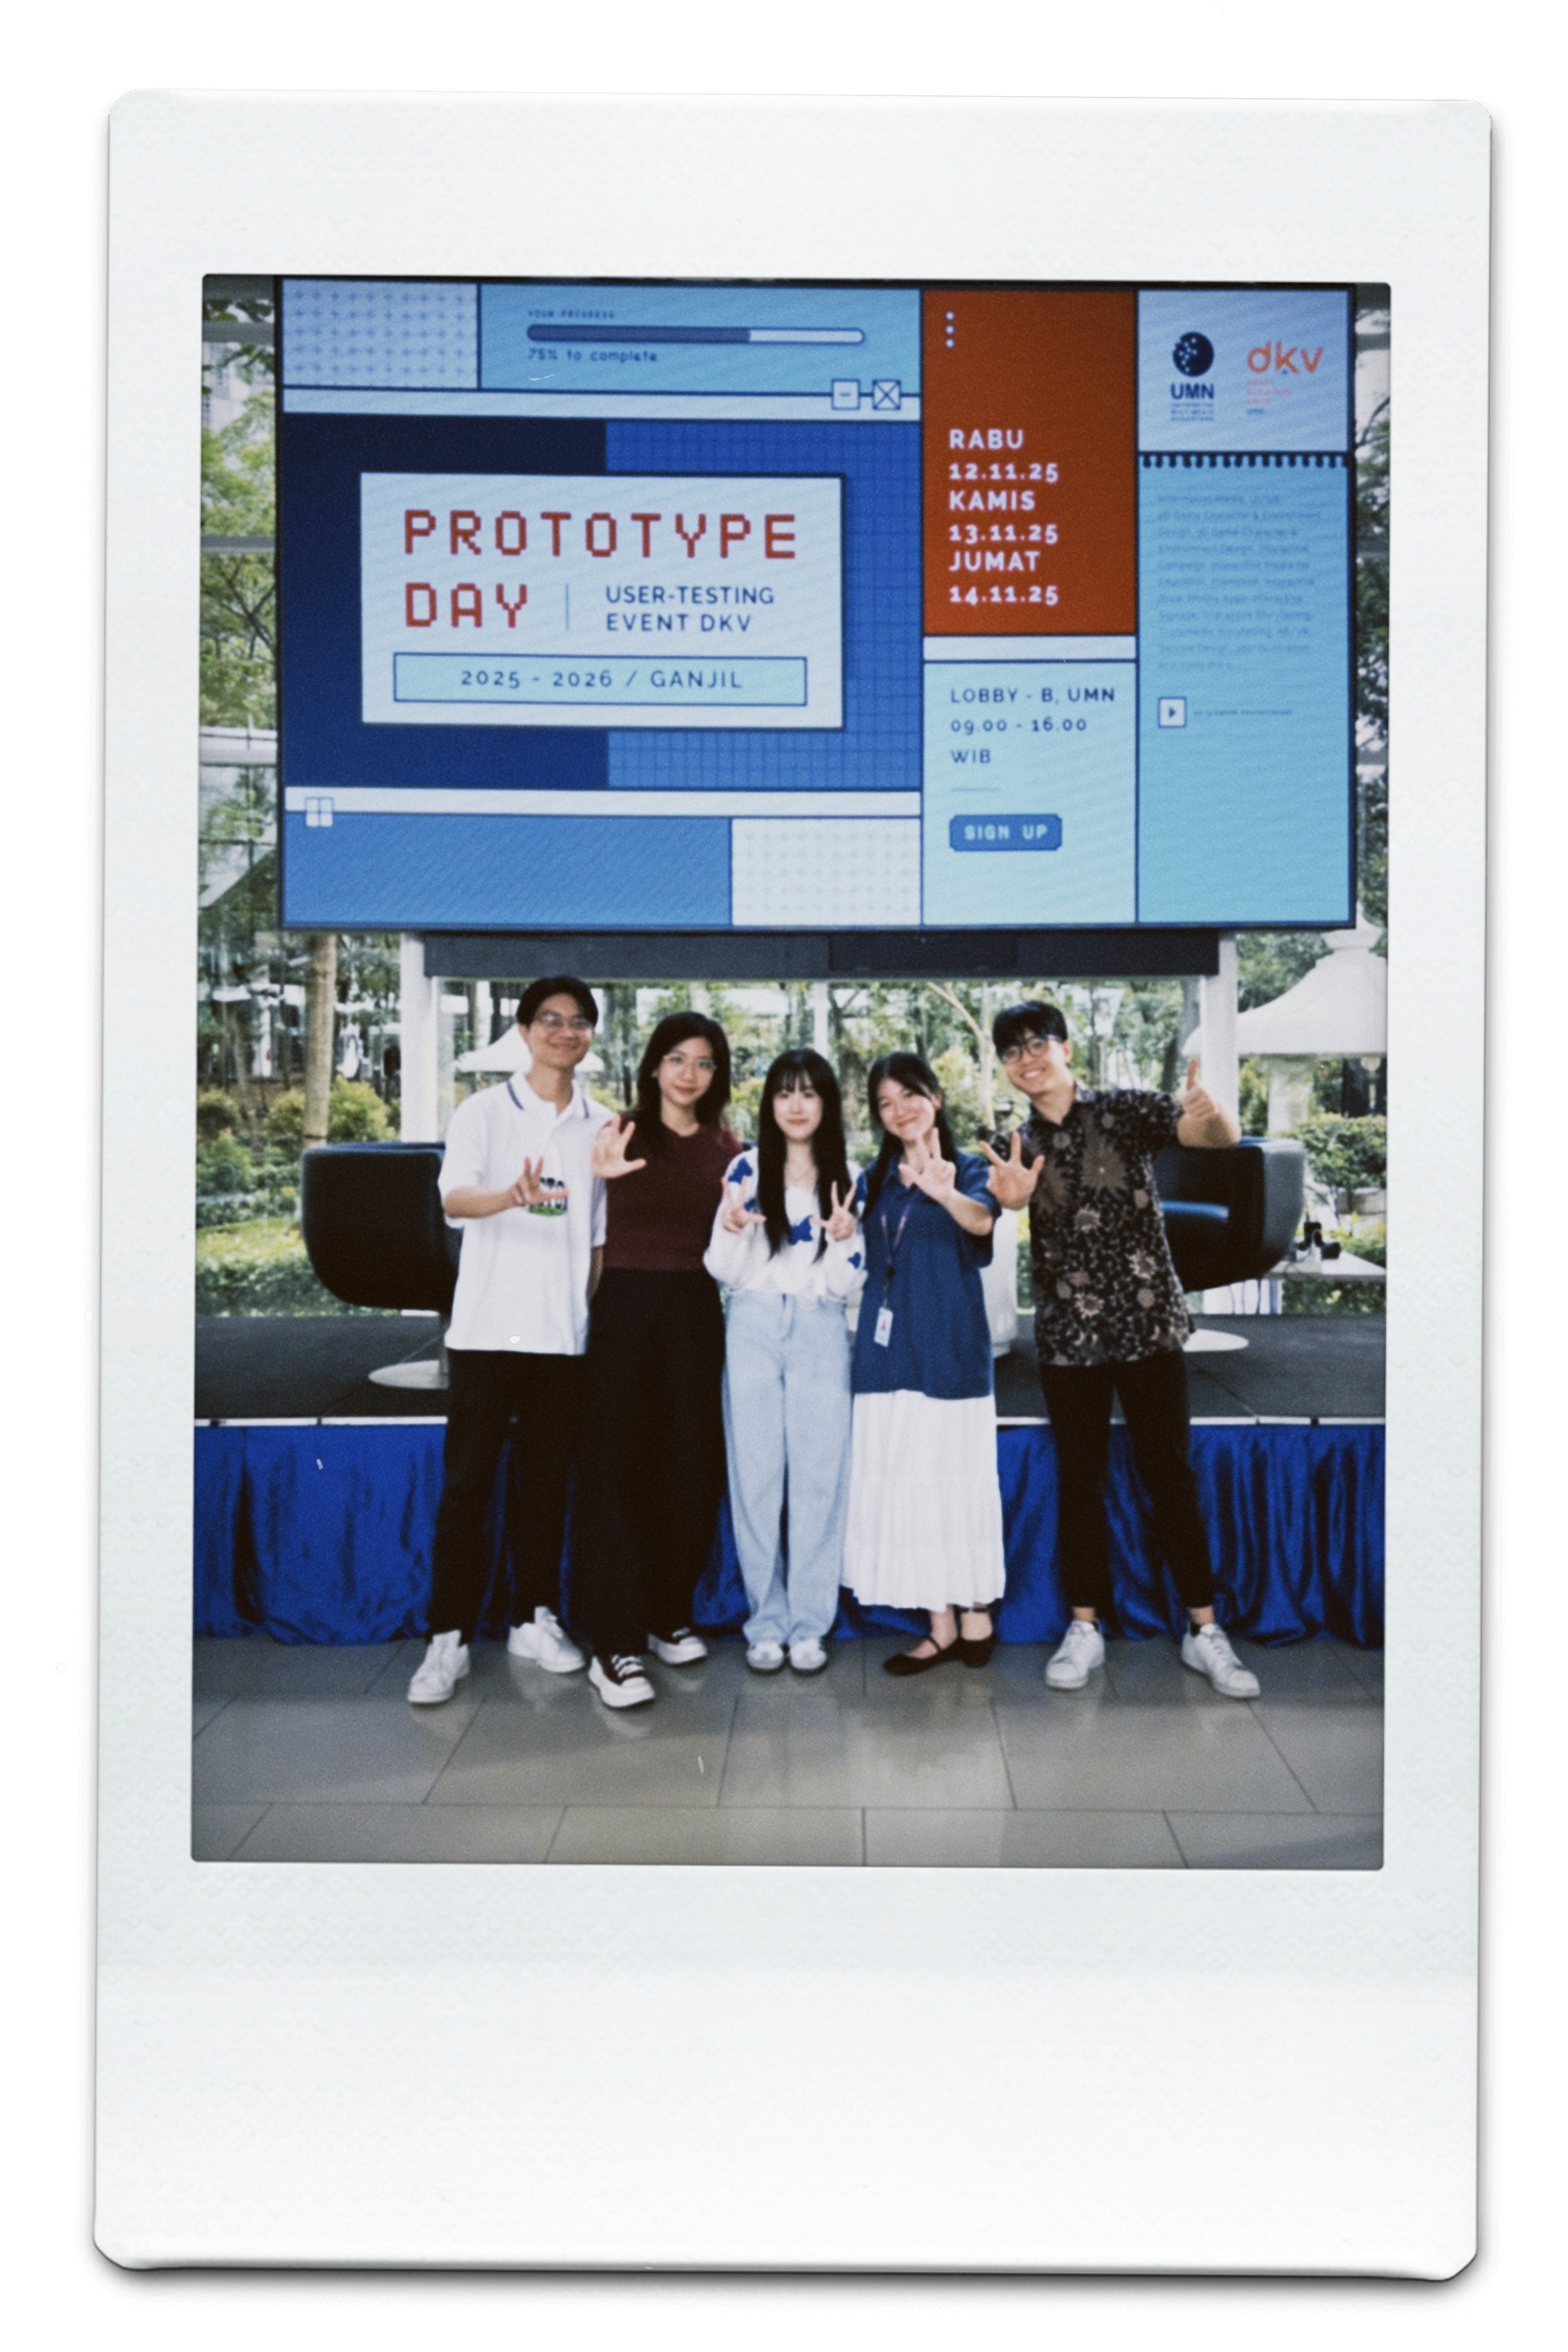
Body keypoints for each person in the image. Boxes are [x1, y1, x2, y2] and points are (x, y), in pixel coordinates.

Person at [981, 1000, 1262, 1699]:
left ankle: (1205, 1631)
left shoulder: (1126, 1108)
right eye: (1013, 1050)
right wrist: (1010, 1201)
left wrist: (1211, 1109)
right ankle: (1084, 1628)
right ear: (1006, 1068)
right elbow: (998, 1206)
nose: (1028, 1057)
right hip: (1069, 1335)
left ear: (1066, 1047)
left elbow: (1212, 1136)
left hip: (1147, 1324)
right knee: (1080, 1480)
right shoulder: (1012, 1141)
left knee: (1169, 1474)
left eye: (1038, 1041)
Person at [407, 976, 610, 1705]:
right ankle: (448, 1638)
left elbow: (596, 1242)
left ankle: (533, 1617)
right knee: (466, 1488)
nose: (566, 1032)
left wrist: (578, 1311)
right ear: (524, 1032)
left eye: (579, 1022)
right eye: (551, 1020)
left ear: (591, 1036)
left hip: (562, 1339)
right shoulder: (484, 1112)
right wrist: (512, 1196)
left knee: (546, 1487)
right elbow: (454, 1200)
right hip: (488, 1332)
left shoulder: (602, 1125)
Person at [573, 1012, 739, 1708]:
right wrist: (598, 1178)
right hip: (624, 1307)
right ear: (652, 1066)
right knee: (616, 1466)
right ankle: (613, 1644)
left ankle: (667, 1610)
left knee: (692, 1465)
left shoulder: (730, 1149)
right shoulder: (615, 1133)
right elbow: (583, 1233)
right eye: (676, 1059)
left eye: (703, 1062)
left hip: (697, 1309)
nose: (688, 1074)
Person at [843, 1052, 1007, 1674]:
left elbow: (982, 1222)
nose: (899, 1111)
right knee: (910, 1488)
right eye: (885, 1104)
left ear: (935, 1097)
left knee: (956, 1485)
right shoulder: (873, 1181)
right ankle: (940, 1626)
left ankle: (976, 1613)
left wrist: (945, 1195)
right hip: (887, 1358)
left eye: (908, 1095)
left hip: (952, 1351)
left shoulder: (967, 1168)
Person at [704, 1049, 864, 1677]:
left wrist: (846, 1240)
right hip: (752, 1323)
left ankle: (809, 1624)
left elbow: (847, 1283)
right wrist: (733, 1224)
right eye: (783, 1094)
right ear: (770, 1104)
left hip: (820, 1328)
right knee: (757, 1476)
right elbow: (724, 1270)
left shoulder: (845, 1175)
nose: (796, 1106)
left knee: (821, 1477)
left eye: (809, 1094)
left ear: (826, 1104)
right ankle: (764, 1621)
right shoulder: (744, 1168)